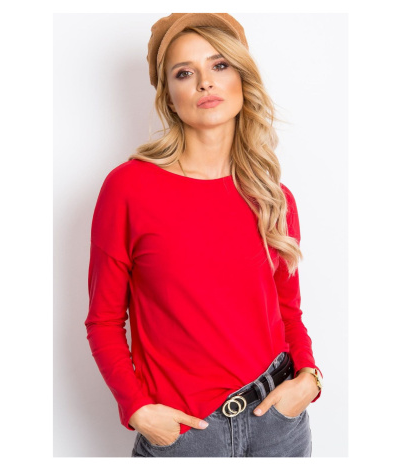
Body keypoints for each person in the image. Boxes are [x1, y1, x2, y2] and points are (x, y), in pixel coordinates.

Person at [84, 13, 324, 458]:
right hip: (186, 434)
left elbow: (287, 310)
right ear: (169, 97)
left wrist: (309, 378)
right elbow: (103, 322)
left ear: (242, 78)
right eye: (184, 73)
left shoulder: (274, 197)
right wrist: (139, 410)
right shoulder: (129, 189)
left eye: (219, 65)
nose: (204, 83)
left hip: (278, 424)